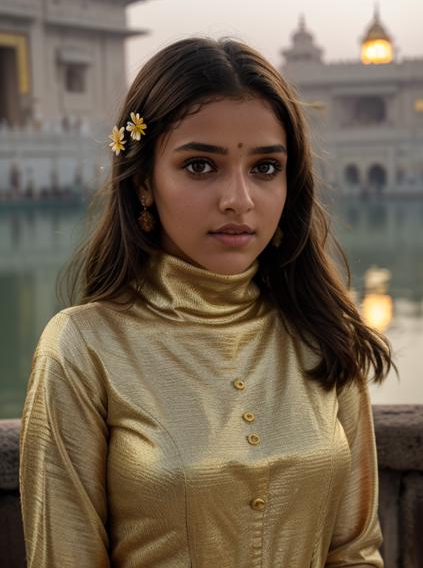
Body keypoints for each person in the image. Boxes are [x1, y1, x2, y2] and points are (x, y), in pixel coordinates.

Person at [19, 37, 395, 567]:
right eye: (200, 166)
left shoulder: (323, 334)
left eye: (265, 168)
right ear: (146, 181)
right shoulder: (84, 349)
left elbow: (355, 553)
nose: (238, 199)